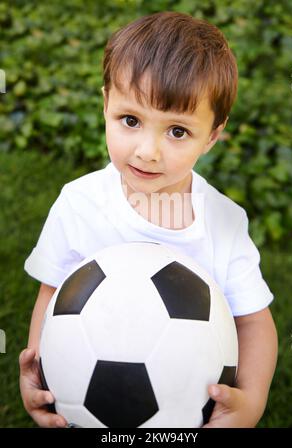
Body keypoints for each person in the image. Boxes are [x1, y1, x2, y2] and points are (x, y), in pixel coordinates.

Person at [19, 11, 278, 428]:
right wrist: (41, 375)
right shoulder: (79, 203)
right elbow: (53, 297)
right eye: (131, 120)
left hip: (185, 409)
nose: (147, 151)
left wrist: (252, 400)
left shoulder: (224, 222)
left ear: (212, 135)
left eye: (177, 131)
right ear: (105, 105)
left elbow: (254, 322)